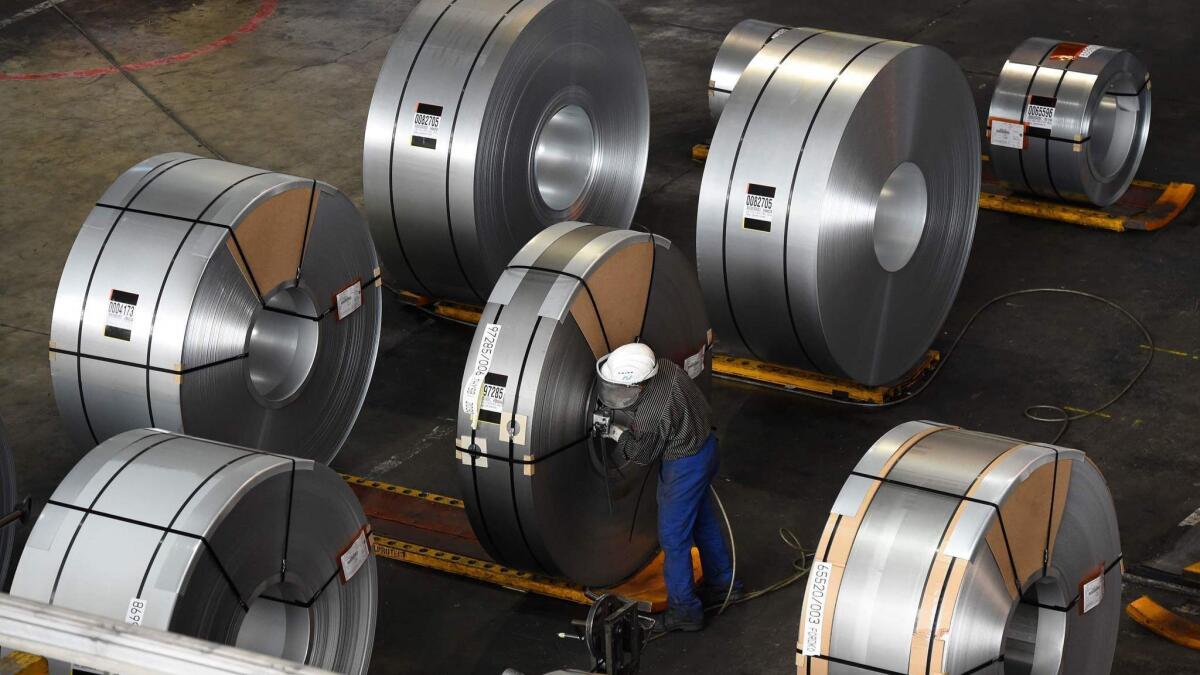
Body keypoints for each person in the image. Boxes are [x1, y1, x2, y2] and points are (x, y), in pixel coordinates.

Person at [595, 342, 742, 632]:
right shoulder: (666, 368)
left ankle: (685, 612)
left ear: (639, 385)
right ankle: (725, 584)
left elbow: (643, 454)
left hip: (684, 466)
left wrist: (616, 434)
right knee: (703, 521)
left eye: (621, 388)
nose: (616, 394)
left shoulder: (651, 414)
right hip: (707, 447)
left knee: (674, 539)